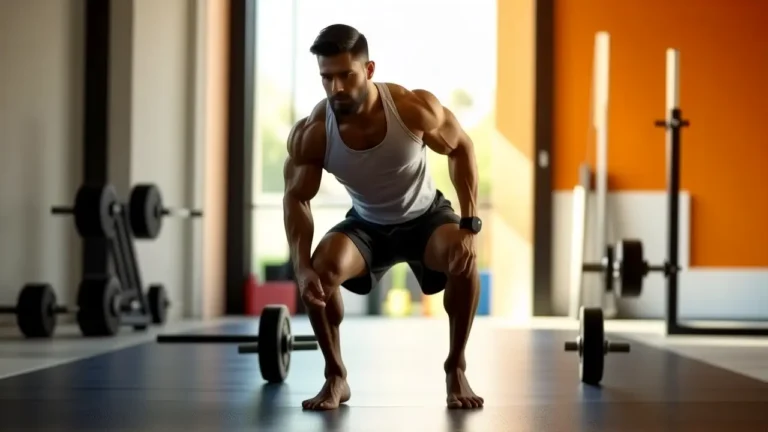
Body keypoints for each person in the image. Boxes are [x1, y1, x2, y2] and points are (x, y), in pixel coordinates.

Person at [282, 23, 485, 411]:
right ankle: (335, 375)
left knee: (463, 256)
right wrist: (300, 265)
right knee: (320, 271)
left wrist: (470, 225)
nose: (336, 88)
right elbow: (296, 199)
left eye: (347, 75)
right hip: (367, 226)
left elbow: (462, 148)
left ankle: (456, 366)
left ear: (370, 70)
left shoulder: (412, 109)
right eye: (327, 78)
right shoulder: (314, 132)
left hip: (426, 218)